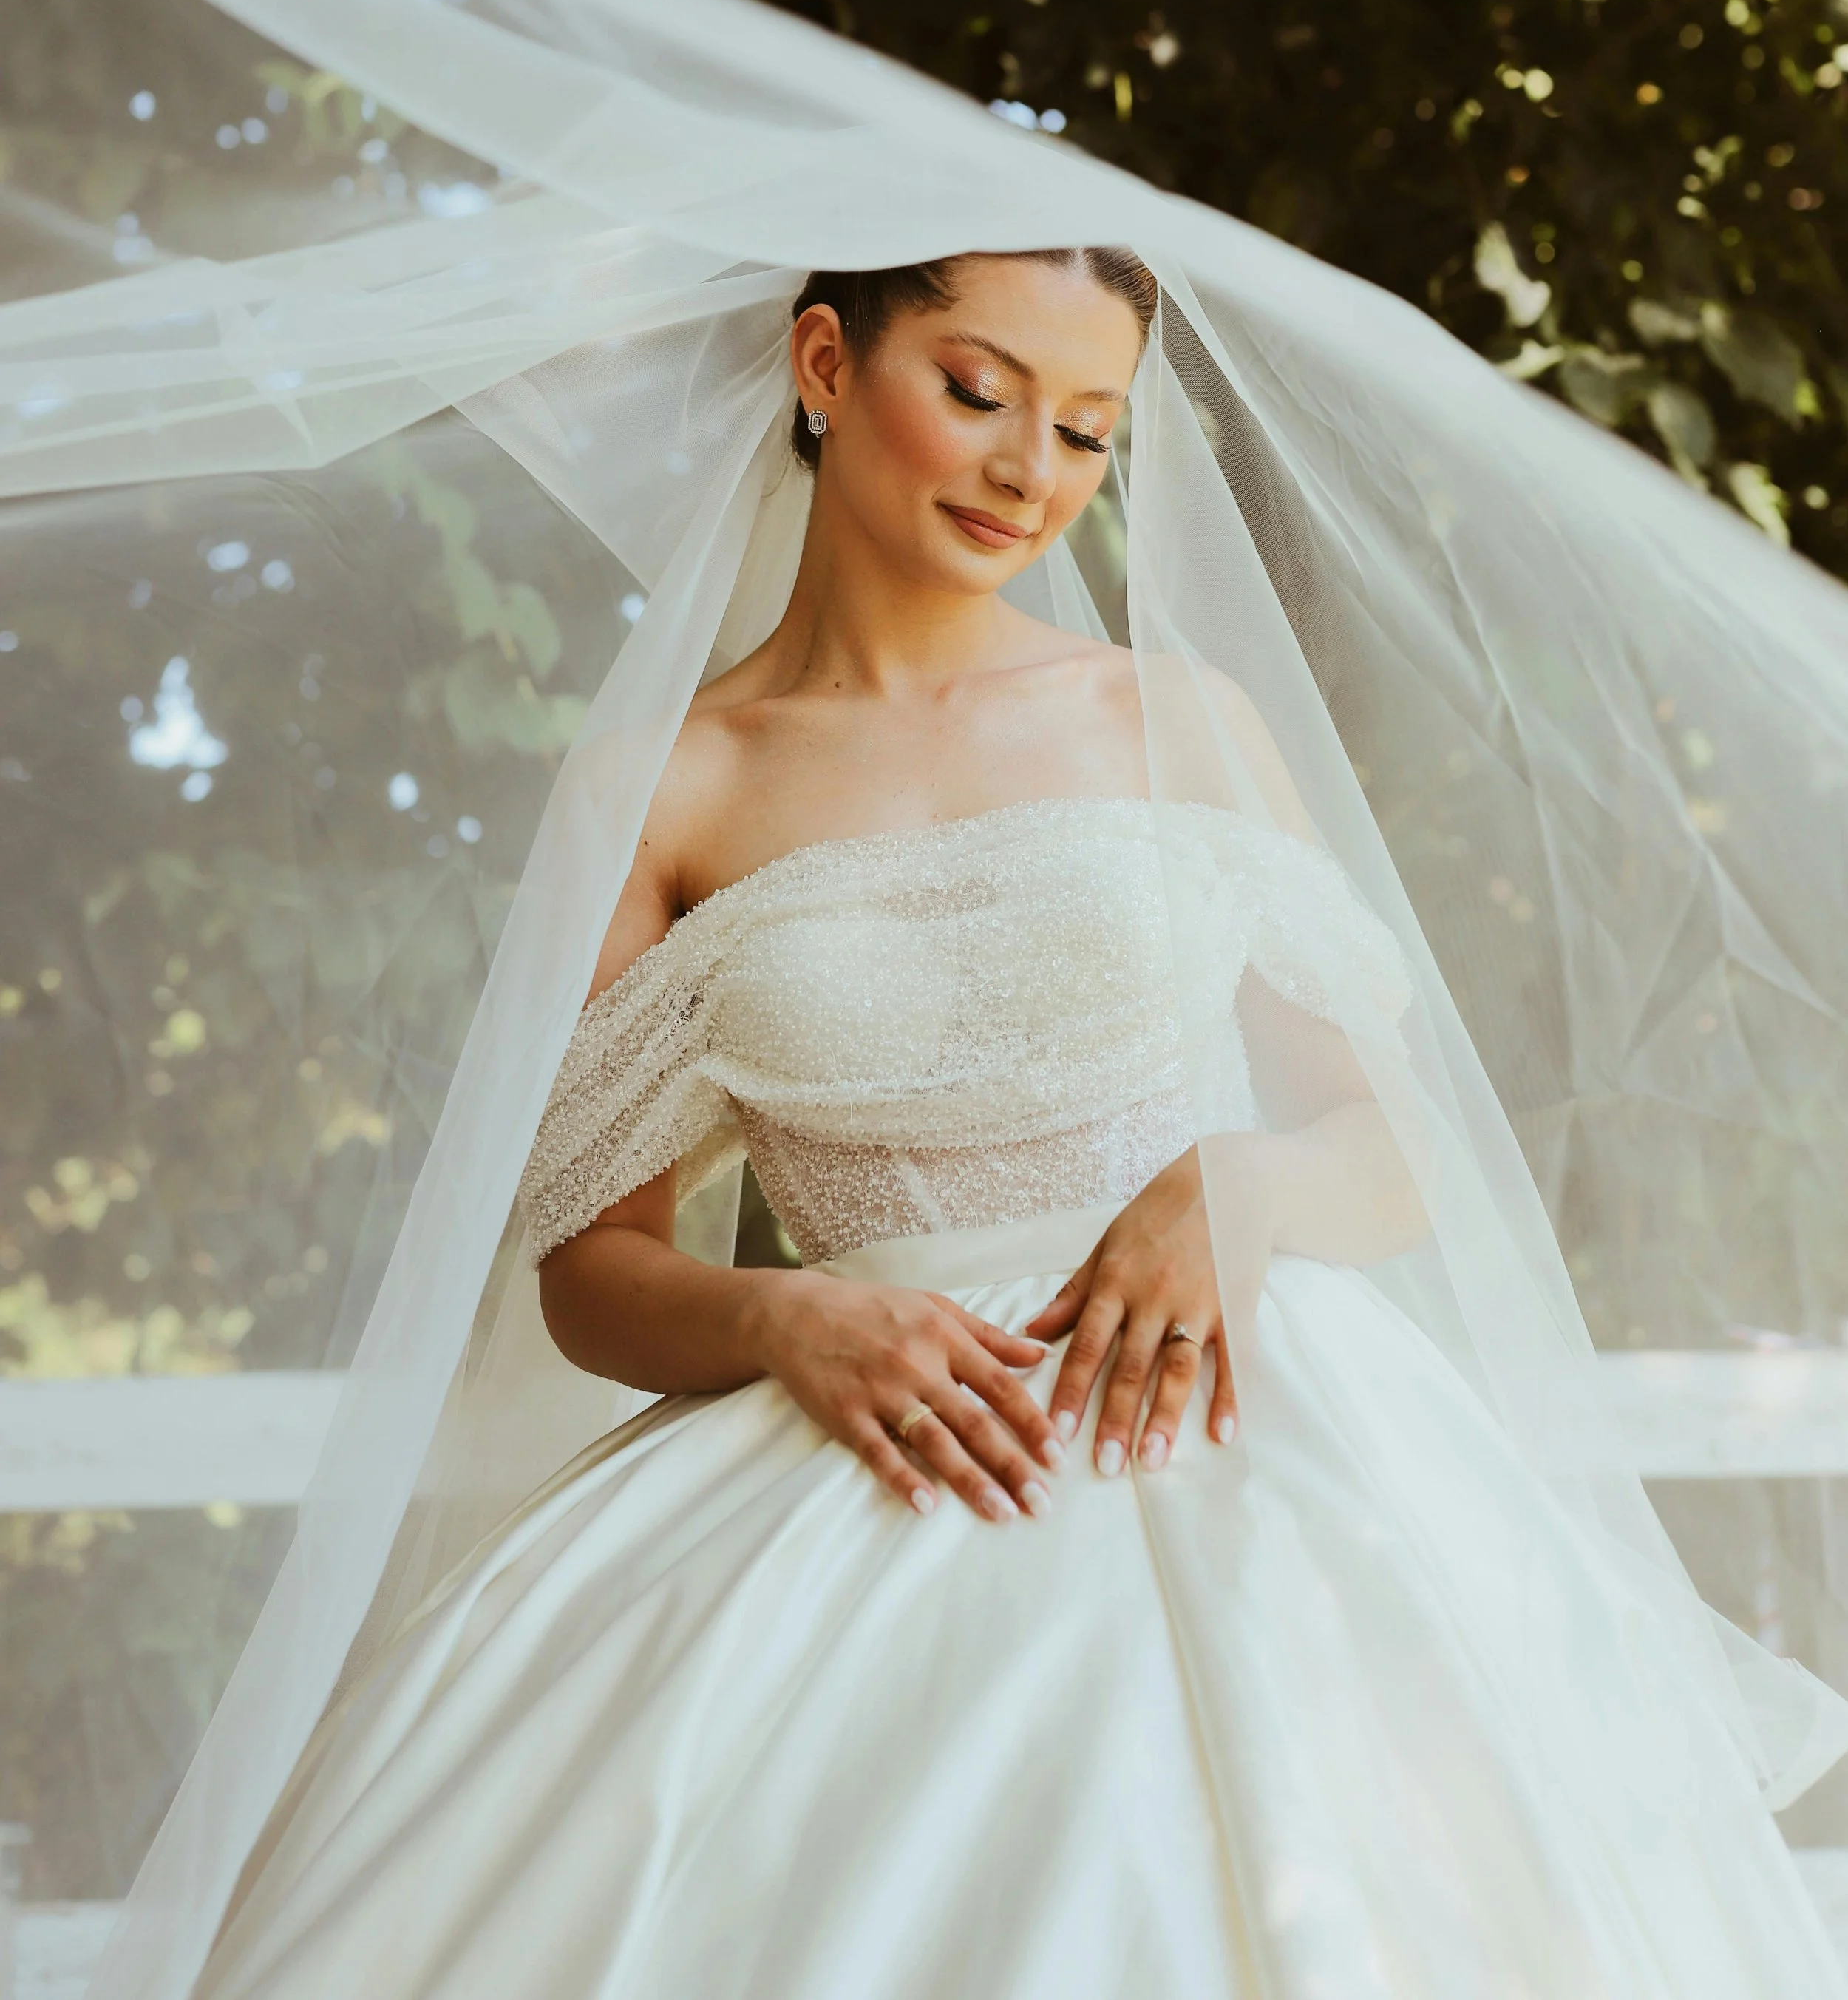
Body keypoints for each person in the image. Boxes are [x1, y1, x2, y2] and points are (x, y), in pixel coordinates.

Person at [191, 246, 1846, 2000]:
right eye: (977, 393)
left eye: (1082, 431)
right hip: (862, 1452)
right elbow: (590, 1268)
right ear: (826, 364)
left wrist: (1236, 1183)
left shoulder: (1169, 721)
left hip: (1253, 1442)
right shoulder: (663, 785)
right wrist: (779, 1314)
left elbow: (1397, 1141)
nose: (1026, 473)